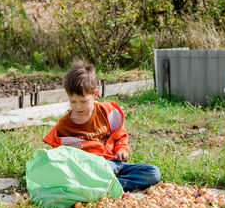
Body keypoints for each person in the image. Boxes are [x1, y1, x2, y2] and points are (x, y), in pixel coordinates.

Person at [43, 60, 160, 191]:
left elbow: (120, 136)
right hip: (90, 169)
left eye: (83, 101)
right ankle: (105, 184)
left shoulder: (107, 113)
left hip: (114, 164)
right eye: (73, 101)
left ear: (95, 94)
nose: (78, 106)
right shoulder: (65, 126)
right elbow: (61, 156)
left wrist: (121, 150)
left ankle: (108, 186)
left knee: (153, 173)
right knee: (93, 172)